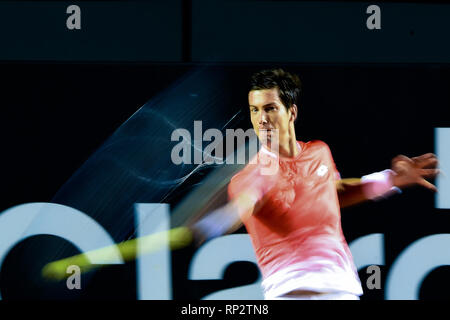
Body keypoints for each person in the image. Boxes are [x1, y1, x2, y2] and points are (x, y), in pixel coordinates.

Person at [190, 68, 440, 300]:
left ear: (292, 112)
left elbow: (331, 193)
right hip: (290, 293)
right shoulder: (252, 174)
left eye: (270, 108)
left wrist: (390, 179)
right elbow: (246, 200)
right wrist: (222, 219)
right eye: (254, 110)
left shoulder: (319, 152)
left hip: (341, 289)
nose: (261, 119)